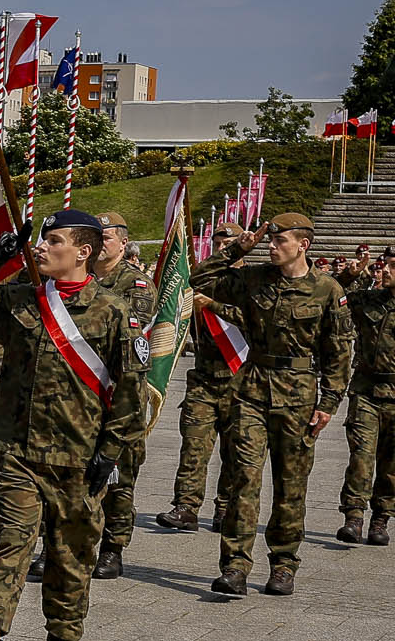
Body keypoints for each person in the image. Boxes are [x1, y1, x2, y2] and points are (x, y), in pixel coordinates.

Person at [0, 210, 144, 641]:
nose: (41, 247)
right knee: (11, 543)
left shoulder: (112, 310)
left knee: (70, 557)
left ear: (83, 251)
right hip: (20, 453)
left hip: (79, 459)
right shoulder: (22, 300)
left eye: (53, 240)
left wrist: (111, 452)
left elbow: (131, 390)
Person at [193, 215, 353, 596]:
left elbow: (338, 352)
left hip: (298, 396)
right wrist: (237, 249)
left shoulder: (327, 290)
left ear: (303, 245)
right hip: (251, 388)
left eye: (280, 241)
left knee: (290, 484)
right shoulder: (255, 278)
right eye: (270, 240)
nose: (272, 246)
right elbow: (197, 280)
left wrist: (329, 402)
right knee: (244, 478)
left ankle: (283, 564)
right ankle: (234, 566)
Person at [80, 212, 153, 580]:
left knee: (119, 479)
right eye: (95, 235)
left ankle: (112, 548)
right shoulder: (77, 279)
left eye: (106, 236)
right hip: (82, 397)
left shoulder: (136, 284)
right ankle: (57, 545)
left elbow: (127, 335)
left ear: (123, 244)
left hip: (121, 397)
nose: (100, 242)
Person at [159, 299, 248, 533]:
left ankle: (225, 508)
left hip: (240, 382)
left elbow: (253, 318)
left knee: (234, 450)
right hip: (203, 382)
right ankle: (186, 506)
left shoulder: (247, 286)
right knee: (193, 446)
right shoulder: (199, 287)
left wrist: (214, 306)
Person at [338, 254, 395, 546]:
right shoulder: (370, 300)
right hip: (367, 393)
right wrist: (348, 275)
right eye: (385, 264)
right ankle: (354, 516)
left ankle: (381, 519)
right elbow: (329, 296)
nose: (383, 269)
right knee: (361, 456)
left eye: (392, 266)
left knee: (391, 465)